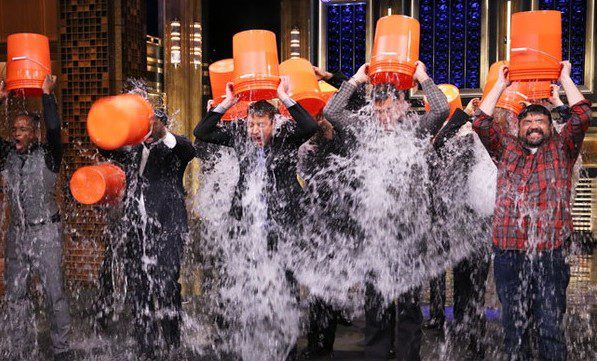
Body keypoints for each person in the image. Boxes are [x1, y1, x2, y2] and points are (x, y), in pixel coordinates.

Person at [323, 61, 449, 361]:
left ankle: (408, 357)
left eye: (388, 109)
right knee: (375, 303)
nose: (382, 117)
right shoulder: (363, 134)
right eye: (378, 111)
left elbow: (442, 110)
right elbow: (331, 113)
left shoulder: (416, 131)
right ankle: (377, 355)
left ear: (403, 106)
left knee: (408, 304)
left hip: (409, 236)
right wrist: (355, 80)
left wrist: (423, 78)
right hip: (373, 234)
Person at [472, 62, 591, 361]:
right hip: (508, 254)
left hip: (550, 254)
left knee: (550, 327)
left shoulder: (562, 150)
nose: (534, 125)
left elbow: (581, 116)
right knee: (515, 328)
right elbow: (481, 123)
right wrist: (500, 85)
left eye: (541, 121)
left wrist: (564, 80)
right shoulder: (506, 150)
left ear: (550, 128)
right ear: (518, 126)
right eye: (528, 121)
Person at [194, 77, 318, 359]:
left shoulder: (287, 139)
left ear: (273, 123)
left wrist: (284, 97)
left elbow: (310, 126)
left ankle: (286, 350)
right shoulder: (240, 137)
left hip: (282, 229)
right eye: (251, 124)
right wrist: (226, 104)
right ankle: (254, 345)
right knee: (250, 288)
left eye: (261, 124)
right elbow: (201, 132)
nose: (254, 130)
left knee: (285, 289)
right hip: (247, 229)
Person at [100, 107, 196, 358]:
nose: (146, 129)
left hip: (168, 229)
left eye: (151, 124)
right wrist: (108, 124)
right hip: (136, 230)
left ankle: (172, 342)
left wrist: (162, 134)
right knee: (139, 288)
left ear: (162, 124)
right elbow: (106, 147)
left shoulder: (174, 148)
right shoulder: (132, 149)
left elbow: (190, 150)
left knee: (166, 286)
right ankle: (146, 345)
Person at [0, 76, 73, 360]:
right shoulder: (6, 154)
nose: (16, 133)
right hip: (17, 234)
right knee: (15, 296)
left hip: (46, 233)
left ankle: (62, 349)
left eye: (22, 129)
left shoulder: (49, 154)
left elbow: (54, 129)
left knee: (54, 293)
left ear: (34, 132)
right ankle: (18, 349)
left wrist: (46, 95)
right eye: (14, 129)